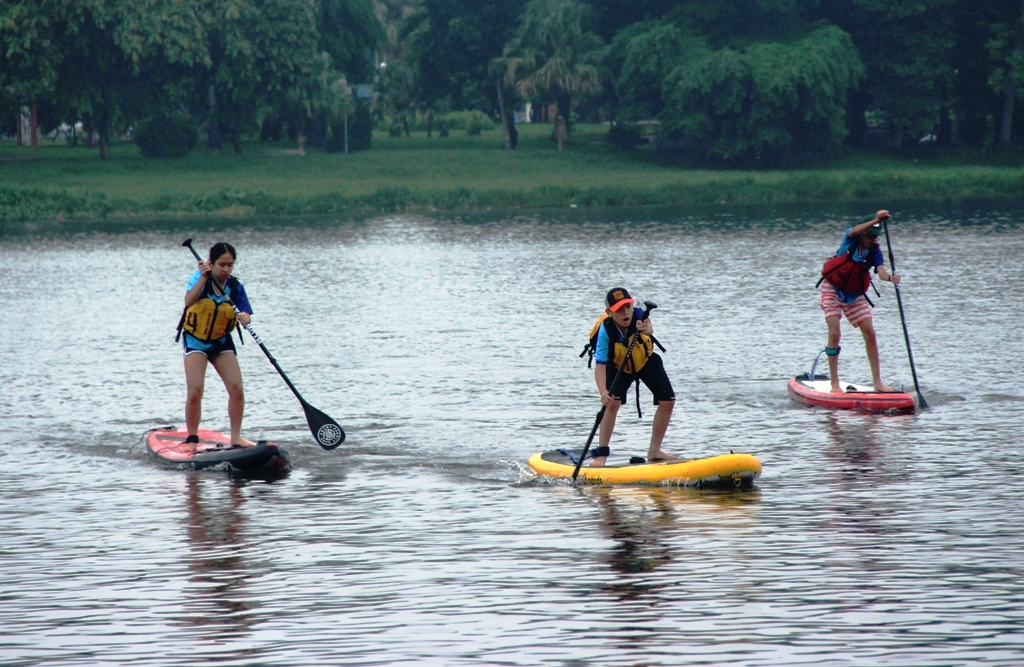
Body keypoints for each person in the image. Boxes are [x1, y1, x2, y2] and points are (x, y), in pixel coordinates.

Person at [176, 242, 255, 451]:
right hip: (196, 341)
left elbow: (246, 313)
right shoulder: (199, 278)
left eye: (230, 265)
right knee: (195, 390)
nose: (226, 269)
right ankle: (192, 439)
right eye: (222, 265)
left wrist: (246, 318)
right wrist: (204, 277)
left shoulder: (234, 286)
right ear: (211, 263)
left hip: (221, 341)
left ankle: (236, 437)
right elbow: (189, 301)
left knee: (237, 389)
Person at [590, 287, 677, 467]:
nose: (625, 312)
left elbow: (649, 329)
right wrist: (603, 392)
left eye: (628, 307)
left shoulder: (639, 315)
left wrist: (646, 328)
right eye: (619, 309)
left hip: (645, 360)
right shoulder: (606, 330)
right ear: (609, 312)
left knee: (668, 401)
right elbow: (600, 366)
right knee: (612, 404)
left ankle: (654, 451)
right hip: (618, 366)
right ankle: (602, 454)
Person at [820, 210, 901, 394]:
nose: (871, 240)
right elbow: (854, 231)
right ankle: (834, 384)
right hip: (832, 289)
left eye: (874, 237)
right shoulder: (851, 238)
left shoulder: (874, 251)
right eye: (868, 236)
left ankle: (878, 383)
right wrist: (876, 220)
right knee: (835, 332)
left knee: (870, 333)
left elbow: (881, 272)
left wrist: (891, 278)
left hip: (854, 295)